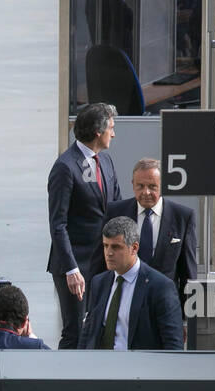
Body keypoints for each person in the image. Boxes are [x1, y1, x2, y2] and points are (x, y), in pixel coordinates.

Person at [47, 102, 120, 349]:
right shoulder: (65, 167)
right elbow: (58, 224)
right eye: (111, 127)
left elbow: (116, 209)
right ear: (98, 132)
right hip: (75, 267)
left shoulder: (107, 162)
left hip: (103, 263)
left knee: (100, 330)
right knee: (75, 331)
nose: (114, 133)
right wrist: (71, 269)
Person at [79, 217, 184, 350]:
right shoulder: (99, 283)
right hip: (101, 365)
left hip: (140, 367)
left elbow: (173, 345)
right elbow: (88, 332)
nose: (109, 253)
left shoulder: (160, 287)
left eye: (116, 247)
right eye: (105, 246)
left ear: (134, 248)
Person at [105, 158, 198, 309]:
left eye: (152, 186)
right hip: (123, 305)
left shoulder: (183, 217)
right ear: (132, 184)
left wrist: (186, 320)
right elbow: (101, 265)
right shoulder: (115, 212)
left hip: (165, 306)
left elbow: (188, 273)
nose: (145, 192)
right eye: (140, 186)